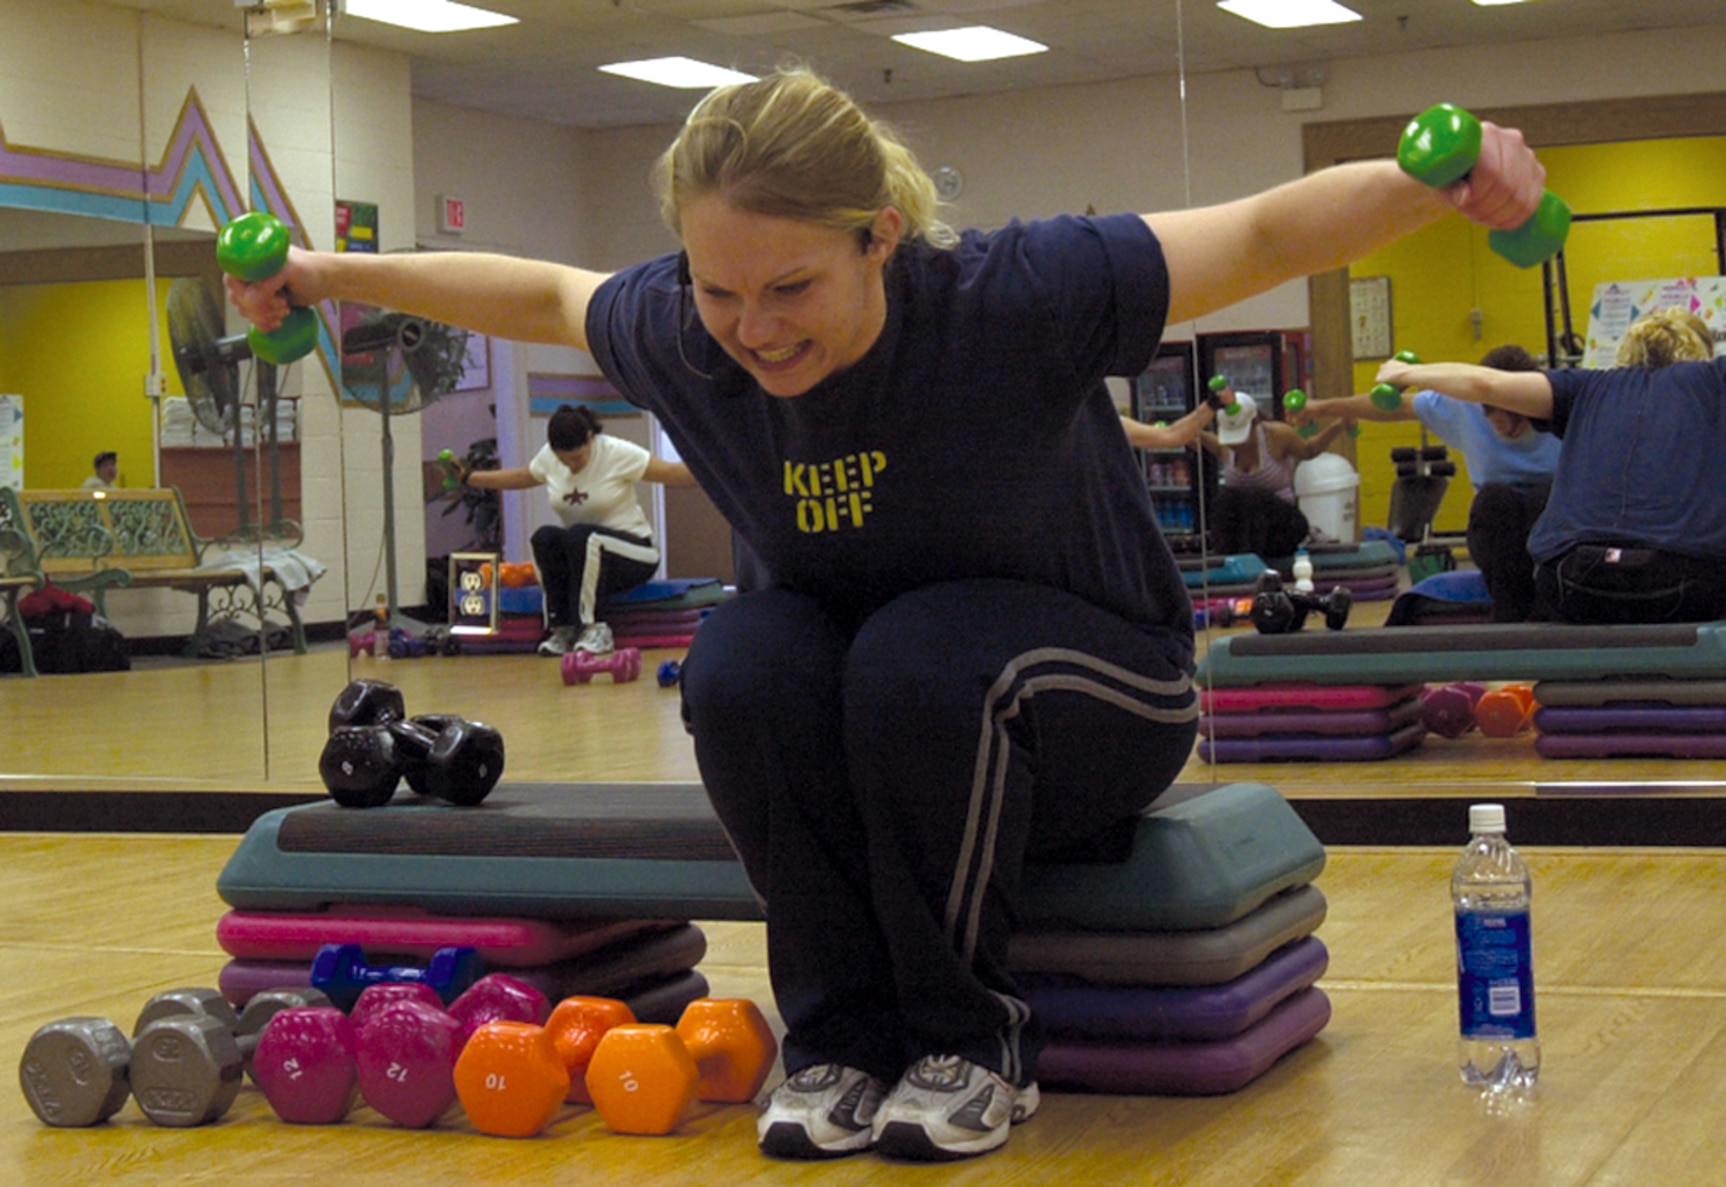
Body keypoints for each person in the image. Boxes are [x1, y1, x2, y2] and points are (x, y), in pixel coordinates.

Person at [227, 66, 1549, 1162]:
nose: (751, 327)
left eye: (790, 286)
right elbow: (538, 295)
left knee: (920, 658)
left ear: (878, 236)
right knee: (737, 660)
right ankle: (840, 1039)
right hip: (878, 696)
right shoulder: (681, 329)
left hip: (1099, 692)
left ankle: (970, 1036)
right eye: (719, 287)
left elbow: (1258, 231)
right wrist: (326, 272)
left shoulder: (1010, 296)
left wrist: (1438, 184)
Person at [1377, 310, 1726, 624]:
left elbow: (1483, 383)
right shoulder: (1721, 379)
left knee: (1518, 513)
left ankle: (1521, 623)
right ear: (1697, 352)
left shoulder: (1583, 386)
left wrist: (1406, 374)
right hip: (1692, 586)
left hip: (1577, 587)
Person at [1292, 344, 1558, 620]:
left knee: (1546, 496)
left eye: (1517, 423)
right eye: (1498, 422)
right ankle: (1511, 615)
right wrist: (1321, 408)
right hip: (1498, 532)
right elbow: (1393, 407)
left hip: (1550, 526)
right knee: (1496, 499)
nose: (1506, 431)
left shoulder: (1558, 406)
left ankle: (1550, 605)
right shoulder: (1465, 407)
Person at [461, 404, 693, 654]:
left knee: (583, 536)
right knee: (545, 538)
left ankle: (596, 629)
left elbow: (671, 472)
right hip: (585, 557)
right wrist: (469, 477)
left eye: (577, 458)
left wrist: (723, 469)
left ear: (590, 439)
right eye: (564, 460)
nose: (571, 466)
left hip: (635, 555)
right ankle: (563, 630)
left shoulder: (616, 452)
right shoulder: (548, 457)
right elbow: (520, 477)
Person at [1198, 386, 1352, 558]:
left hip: (1283, 527)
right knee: (1225, 500)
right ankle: (1228, 560)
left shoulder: (1276, 436)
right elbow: (1192, 434)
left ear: (1254, 426)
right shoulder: (1224, 447)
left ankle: (1251, 562)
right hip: (1246, 532)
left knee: (1254, 499)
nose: (1235, 445)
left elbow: (1308, 450)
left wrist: (1339, 426)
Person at [1118, 399, 1214, 450]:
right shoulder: (1114, 425)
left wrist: (1212, 404)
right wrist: (1212, 404)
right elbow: (1171, 435)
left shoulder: (1116, 424)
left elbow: (1172, 434)